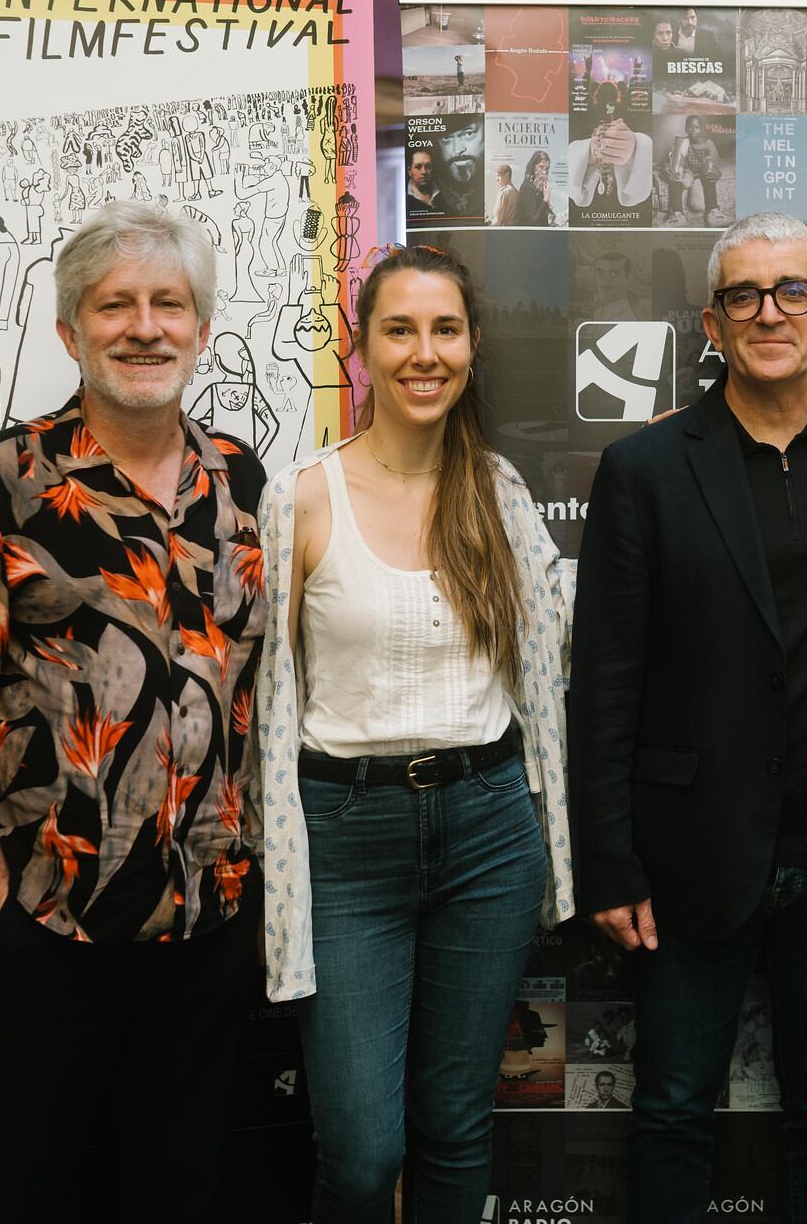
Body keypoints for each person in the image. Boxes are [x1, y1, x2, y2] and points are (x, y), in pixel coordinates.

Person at [570, 211, 807, 1222]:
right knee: (669, 1110)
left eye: (789, 292)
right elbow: (604, 679)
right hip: (687, 855)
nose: (766, 312)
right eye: (742, 295)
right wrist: (606, 860)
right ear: (710, 322)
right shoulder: (643, 471)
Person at [0, 200, 268, 1222]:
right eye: (114, 306)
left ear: (200, 328)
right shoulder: (8, 477)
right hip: (48, 920)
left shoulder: (240, 482)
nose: (143, 326)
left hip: (206, 920)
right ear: (70, 332)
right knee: (19, 1192)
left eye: (168, 304)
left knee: (176, 1192)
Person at [250, 244, 576, 1223]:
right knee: (359, 1151)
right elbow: (264, 698)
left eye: (443, 329)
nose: (422, 352)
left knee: (452, 1127)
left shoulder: (501, 493)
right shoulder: (303, 497)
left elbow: (557, 642)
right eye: (399, 329)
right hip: (345, 839)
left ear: (472, 345)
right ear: (362, 347)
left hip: (488, 833)